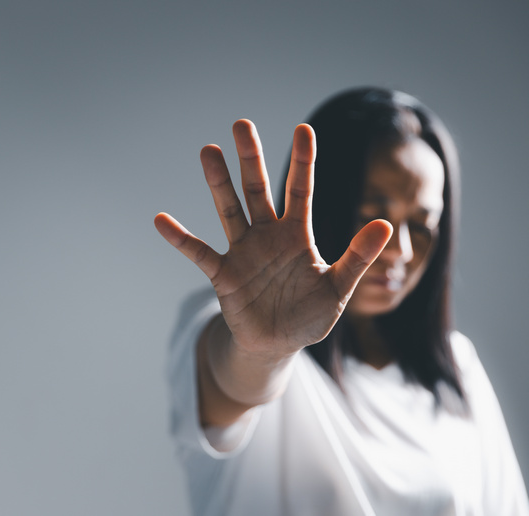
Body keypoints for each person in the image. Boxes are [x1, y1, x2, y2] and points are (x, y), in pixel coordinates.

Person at [154, 87, 529, 516]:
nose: (400, 249)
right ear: (321, 205)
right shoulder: (233, 319)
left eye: (422, 225)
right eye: (371, 215)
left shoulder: (458, 369)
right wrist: (263, 350)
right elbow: (231, 380)